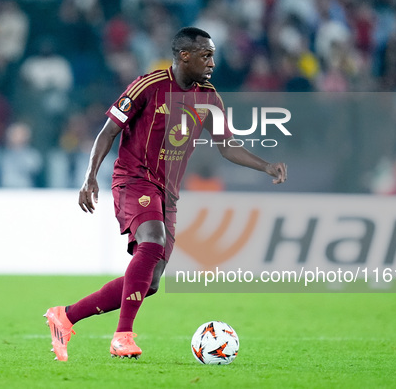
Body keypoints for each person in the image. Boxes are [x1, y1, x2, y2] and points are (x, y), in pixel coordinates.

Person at [44, 27, 287, 361]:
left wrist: (266, 166)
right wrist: (89, 177)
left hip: (167, 192)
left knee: (151, 282)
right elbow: (108, 131)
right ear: (184, 55)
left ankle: (65, 316)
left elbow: (227, 146)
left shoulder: (209, 97)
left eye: (212, 55)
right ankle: (122, 336)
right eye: (206, 55)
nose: (212, 62)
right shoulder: (148, 86)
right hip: (133, 178)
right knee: (153, 240)